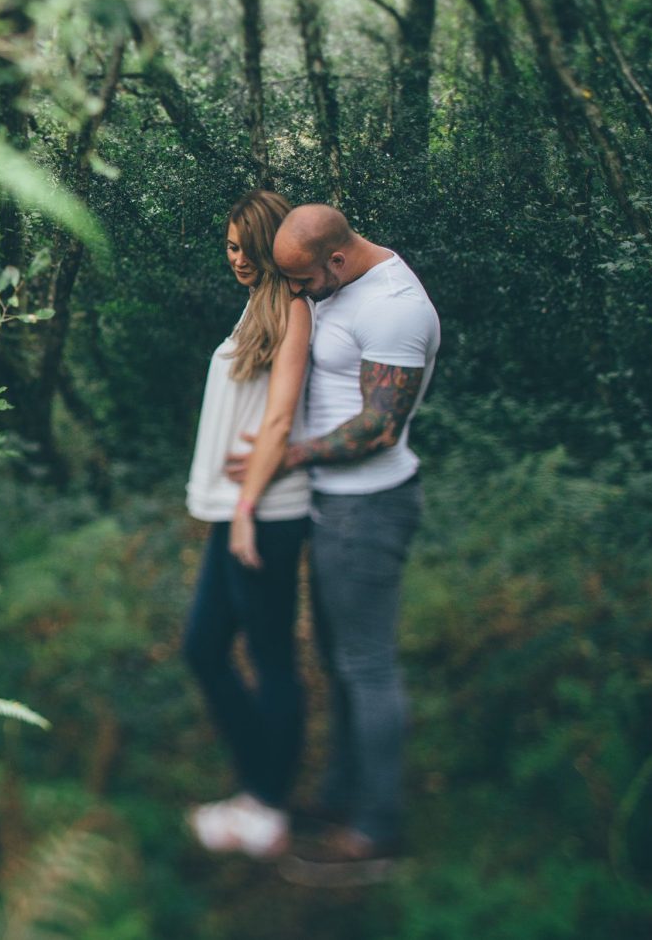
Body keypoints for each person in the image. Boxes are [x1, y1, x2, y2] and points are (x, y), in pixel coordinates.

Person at [227, 202, 441, 887]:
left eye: (304, 280)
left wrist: (288, 455)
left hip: (369, 508)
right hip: (335, 506)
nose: (296, 292)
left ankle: (376, 827)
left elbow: (378, 426)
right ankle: (345, 791)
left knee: (367, 665)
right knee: (339, 658)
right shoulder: (341, 283)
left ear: (338, 259)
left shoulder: (397, 307)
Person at [182, 188, 314, 861]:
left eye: (244, 245)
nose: (234, 256)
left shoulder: (292, 310)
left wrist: (243, 512)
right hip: (235, 513)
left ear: (269, 244)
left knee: (269, 659)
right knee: (203, 647)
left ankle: (268, 803)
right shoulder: (256, 305)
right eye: (228, 245)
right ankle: (258, 787)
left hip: (264, 514)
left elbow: (283, 415)